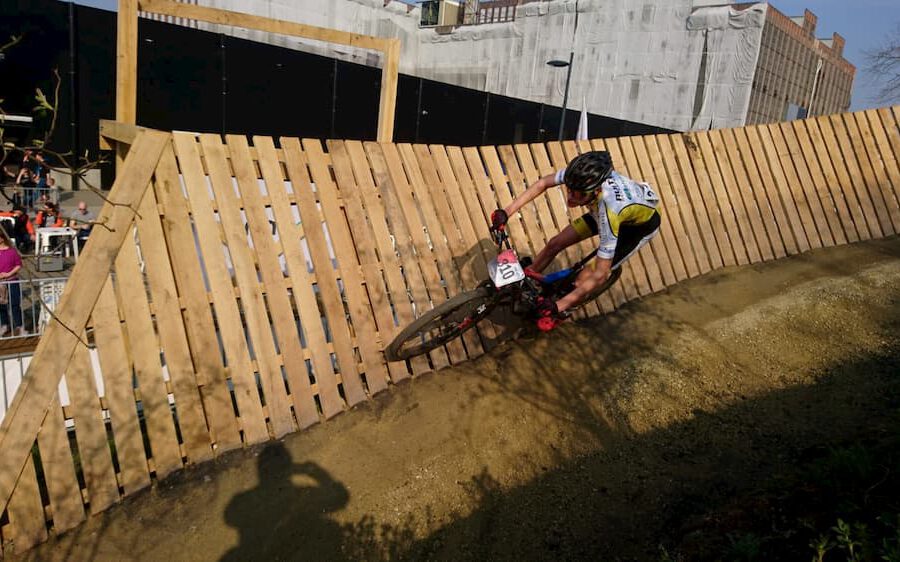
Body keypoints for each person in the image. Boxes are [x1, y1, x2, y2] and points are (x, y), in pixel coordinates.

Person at [490, 150, 662, 331]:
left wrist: (558, 306)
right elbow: (543, 183)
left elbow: (600, 274)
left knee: (583, 280)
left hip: (635, 228)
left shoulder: (610, 211)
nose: (570, 198)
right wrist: (506, 212)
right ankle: (525, 282)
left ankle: (563, 311)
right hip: (605, 209)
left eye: (578, 194)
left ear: (596, 190)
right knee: (555, 244)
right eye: (569, 190)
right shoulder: (580, 178)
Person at [0, 223, 24, 337]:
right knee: (1, 306)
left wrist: (9, 273)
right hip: (0, 283)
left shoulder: (12, 251)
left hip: (12, 280)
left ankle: (19, 326)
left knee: (15, 304)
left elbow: (18, 265)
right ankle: (4, 325)